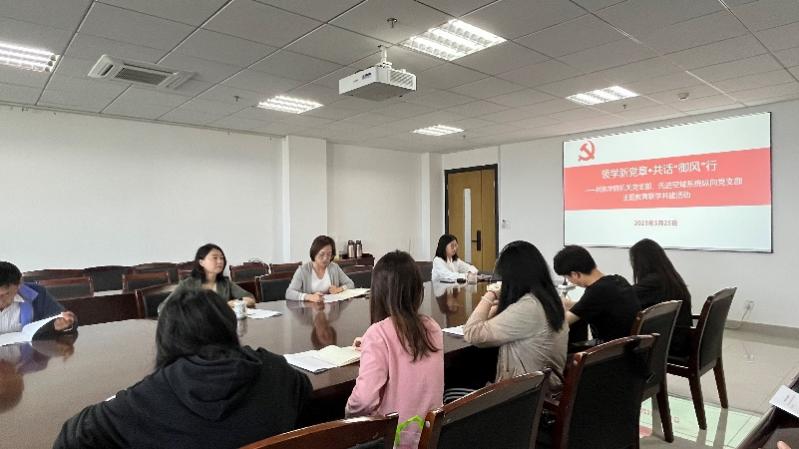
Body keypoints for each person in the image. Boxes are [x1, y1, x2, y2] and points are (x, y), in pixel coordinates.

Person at [54, 289, 311, 449]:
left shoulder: (148, 397)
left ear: (167, 338)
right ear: (228, 327)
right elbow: (303, 391)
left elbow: (72, 438)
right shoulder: (275, 370)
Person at [346, 251, 444, 449]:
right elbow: (404, 344)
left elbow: (363, 401)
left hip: (394, 442)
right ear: (417, 289)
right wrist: (371, 343)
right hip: (430, 438)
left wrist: (347, 413)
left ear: (379, 292)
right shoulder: (433, 327)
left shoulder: (379, 334)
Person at [463, 241, 568, 395]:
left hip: (524, 396)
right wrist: (495, 309)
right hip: (544, 388)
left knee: (453, 389)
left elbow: (472, 333)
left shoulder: (529, 307)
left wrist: (490, 294)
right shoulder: (550, 299)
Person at [553, 245, 640, 343]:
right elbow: (592, 305)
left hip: (610, 348)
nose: (570, 281)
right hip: (629, 345)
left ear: (575, 274)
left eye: (567, 278)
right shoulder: (618, 280)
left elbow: (563, 322)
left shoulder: (596, 291)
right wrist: (569, 304)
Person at [629, 238, 693, 358]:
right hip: (680, 340)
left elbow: (627, 297)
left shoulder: (652, 283)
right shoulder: (669, 278)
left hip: (669, 346)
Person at [160, 244, 255, 314]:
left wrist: (232, 303)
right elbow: (163, 308)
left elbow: (250, 299)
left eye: (222, 258)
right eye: (215, 258)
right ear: (201, 262)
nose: (220, 261)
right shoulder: (187, 284)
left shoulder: (225, 283)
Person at [0, 261, 76, 336]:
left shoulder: (37, 293)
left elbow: (64, 319)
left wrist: (63, 325)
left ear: (19, 284)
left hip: (31, 344)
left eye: (6, 294)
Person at [286, 235, 354, 302]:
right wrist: (309, 297)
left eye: (329, 254)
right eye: (322, 254)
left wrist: (339, 289)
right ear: (314, 253)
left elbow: (350, 284)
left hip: (332, 307)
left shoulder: (334, 267)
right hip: (309, 308)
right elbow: (289, 293)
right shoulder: (303, 270)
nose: (325, 258)